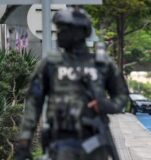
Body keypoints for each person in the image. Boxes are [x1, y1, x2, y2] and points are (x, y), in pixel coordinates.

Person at [15, 7, 129, 160]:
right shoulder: (51, 64)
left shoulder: (101, 65)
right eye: (59, 28)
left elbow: (122, 96)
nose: (60, 33)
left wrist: (106, 105)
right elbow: (33, 102)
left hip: (94, 141)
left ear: (81, 32)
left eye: (64, 29)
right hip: (61, 141)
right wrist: (25, 140)